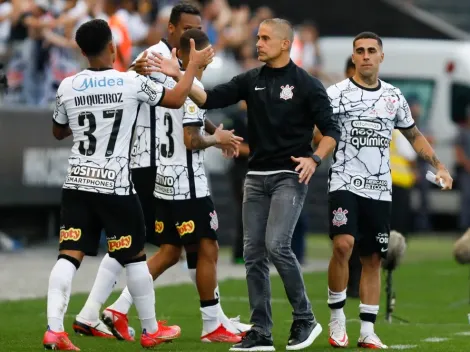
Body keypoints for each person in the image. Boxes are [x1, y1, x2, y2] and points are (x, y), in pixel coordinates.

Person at [150, 17, 341, 351]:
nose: (258, 43)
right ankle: (261, 332)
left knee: (277, 246)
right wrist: (178, 74)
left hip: (289, 176)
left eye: (266, 38)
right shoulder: (251, 79)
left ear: (286, 44)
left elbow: (331, 132)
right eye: (258, 37)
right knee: (252, 254)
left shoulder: (307, 84)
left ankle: (305, 317)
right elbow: (207, 98)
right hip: (255, 177)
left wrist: (314, 159)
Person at [73, 2, 250, 342]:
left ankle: (111, 310)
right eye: (187, 31)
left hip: (162, 163)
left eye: (199, 30)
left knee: (170, 248)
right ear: (171, 30)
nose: (194, 39)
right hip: (152, 163)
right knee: (140, 242)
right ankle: (96, 312)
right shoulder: (158, 61)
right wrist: (214, 137)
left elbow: (193, 104)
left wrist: (214, 131)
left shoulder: (177, 65)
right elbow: (186, 110)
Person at [43, 18, 213, 350]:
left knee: (68, 256)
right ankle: (150, 330)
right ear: (112, 46)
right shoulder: (129, 83)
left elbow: (59, 131)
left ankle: (54, 330)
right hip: (116, 187)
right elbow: (178, 98)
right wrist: (191, 66)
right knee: (134, 255)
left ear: (81, 50)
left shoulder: (67, 85)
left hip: (77, 183)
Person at [325, 31, 453, 349]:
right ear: (353, 57)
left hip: (380, 188)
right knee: (343, 245)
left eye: (371, 50)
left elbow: (414, 135)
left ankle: (367, 330)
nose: (366, 55)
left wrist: (439, 165)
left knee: (373, 259)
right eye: (360, 51)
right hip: (343, 180)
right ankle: (337, 319)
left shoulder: (394, 97)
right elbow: (318, 134)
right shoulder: (336, 94)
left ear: (381, 57)